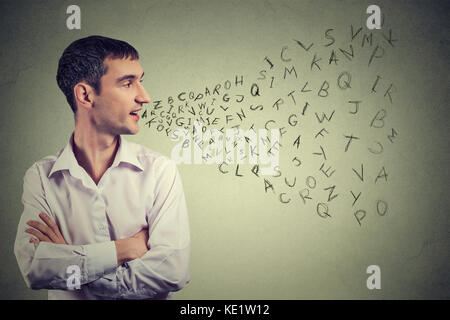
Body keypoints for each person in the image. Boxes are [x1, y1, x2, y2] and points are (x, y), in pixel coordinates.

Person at [13, 35, 190, 300]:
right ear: (85, 95)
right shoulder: (41, 177)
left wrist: (73, 267)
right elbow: (34, 268)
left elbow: (172, 272)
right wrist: (126, 249)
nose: (145, 97)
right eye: (128, 83)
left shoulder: (160, 171)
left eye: (141, 81)